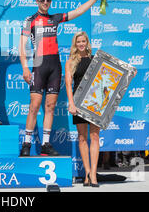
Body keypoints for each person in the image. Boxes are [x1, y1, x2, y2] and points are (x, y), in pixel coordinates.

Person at [19, 0, 101, 157]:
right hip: (39, 65)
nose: (45, 2)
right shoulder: (30, 20)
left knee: (50, 107)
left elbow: (79, 11)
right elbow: (22, 45)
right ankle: (26, 143)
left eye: (48, 0)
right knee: (34, 106)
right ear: (37, 1)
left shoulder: (54, 18)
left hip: (54, 66)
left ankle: (46, 144)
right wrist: (25, 67)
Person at [65, 31, 100, 187]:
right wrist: (71, 103)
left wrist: (129, 73)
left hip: (95, 103)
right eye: (78, 41)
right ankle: (86, 173)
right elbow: (68, 84)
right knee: (82, 138)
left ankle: (93, 174)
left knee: (95, 137)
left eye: (83, 41)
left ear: (87, 43)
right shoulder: (71, 61)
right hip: (78, 103)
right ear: (75, 44)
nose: (81, 44)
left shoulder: (95, 60)